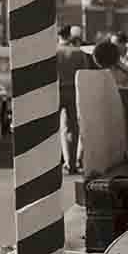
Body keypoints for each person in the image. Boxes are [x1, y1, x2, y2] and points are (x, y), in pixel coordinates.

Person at [57, 27, 91, 174]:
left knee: (54, 130)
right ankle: (71, 164)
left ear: (59, 36)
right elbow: (84, 74)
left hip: (56, 92)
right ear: (70, 37)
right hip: (73, 92)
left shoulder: (52, 52)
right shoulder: (78, 53)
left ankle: (52, 164)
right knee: (72, 128)